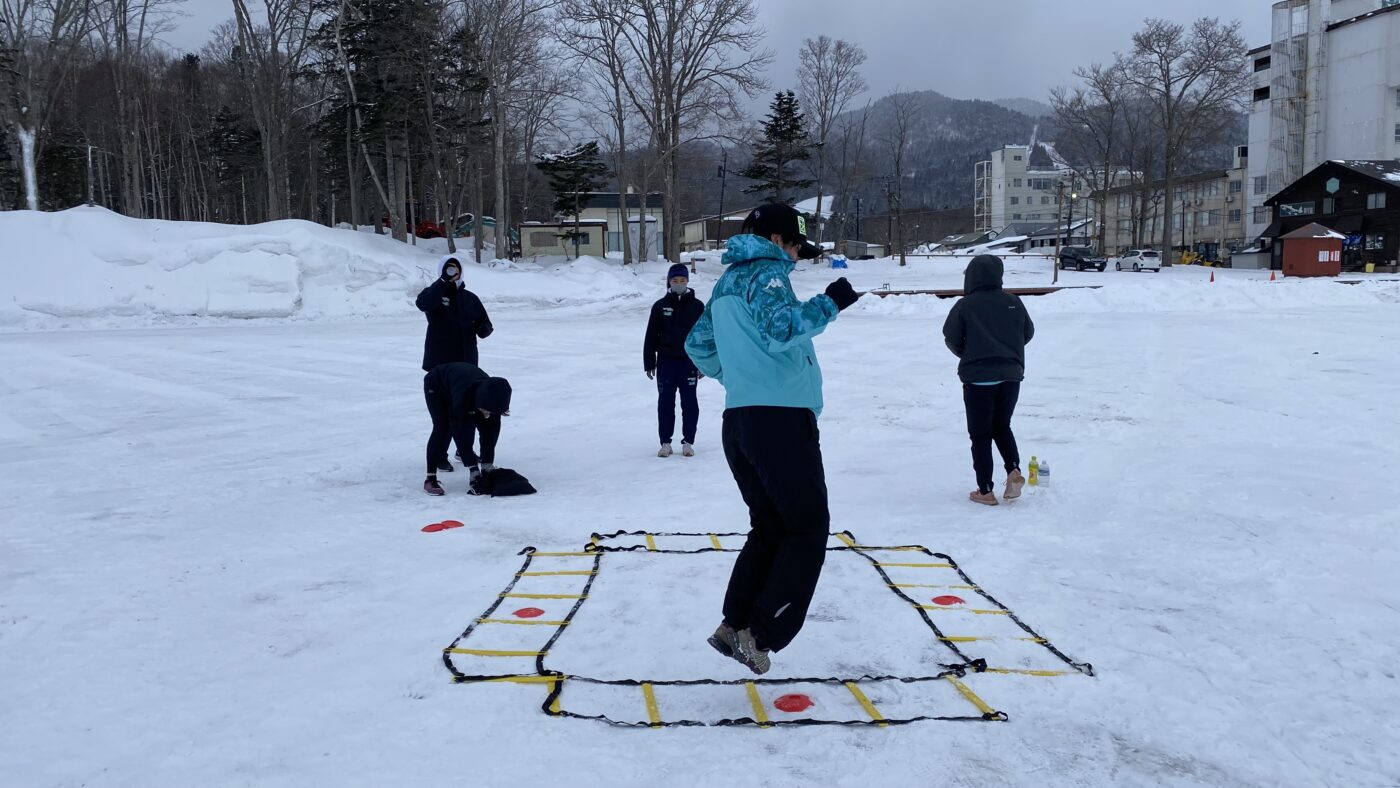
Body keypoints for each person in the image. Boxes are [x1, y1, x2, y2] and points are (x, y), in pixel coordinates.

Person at [684, 203, 862, 675]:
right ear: (780, 240)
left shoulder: (726, 283)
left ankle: (734, 623)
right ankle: (760, 632)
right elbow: (783, 328)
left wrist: (739, 377)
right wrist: (831, 303)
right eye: (797, 246)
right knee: (806, 529)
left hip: (741, 420)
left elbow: (696, 345)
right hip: (780, 420)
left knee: (770, 526)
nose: (798, 256)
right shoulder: (767, 273)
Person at [942, 254, 1035, 506]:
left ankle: (985, 490)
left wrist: (971, 352)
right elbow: (1028, 333)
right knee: (1002, 426)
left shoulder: (965, 305)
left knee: (981, 434)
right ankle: (1013, 469)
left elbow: (950, 337)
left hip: (978, 379)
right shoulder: (1013, 302)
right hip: (1011, 376)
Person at [416, 255, 493, 472]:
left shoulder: (470, 298)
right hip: (440, 365)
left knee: (468, 409)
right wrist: (442, 282)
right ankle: (440, 455)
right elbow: (423, 304)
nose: (453, 272)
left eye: (456, 268)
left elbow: (484, 322)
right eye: (448, 268)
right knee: (445, 415)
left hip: (467, 365)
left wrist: (484, 329)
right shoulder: (435, 295)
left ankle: (464, 449)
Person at [422, 362, 512, 496]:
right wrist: (473, 468)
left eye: (491, 412)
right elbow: (460, 433)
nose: (488, 414)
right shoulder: (463, 398)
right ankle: (430, 479)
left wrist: (487, 465)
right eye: (486, 411)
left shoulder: (494, 399)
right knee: (443, 427)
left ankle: (471, 460)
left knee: (488, 426)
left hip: (463, 381)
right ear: (481, 403)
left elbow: (490, 433)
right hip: (437, 384)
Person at [644, 263, 706, 457]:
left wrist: (703, 364)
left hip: (688, 363)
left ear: (687, 281)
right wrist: (649, 362)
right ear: (668, 282)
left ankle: (688, 441)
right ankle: (665, 442)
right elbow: (651, 336)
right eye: (675, 280)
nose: (679, 283)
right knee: (665, 403)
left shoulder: (697, 306)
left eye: (682, 280)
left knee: (689, 403)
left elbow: (703, 336)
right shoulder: (660, 306)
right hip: (666, 363)